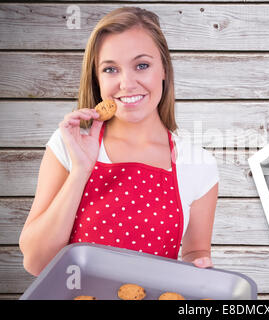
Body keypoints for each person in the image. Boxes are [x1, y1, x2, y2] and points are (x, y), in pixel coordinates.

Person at [19, 7, 219, 277]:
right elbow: (36, 262)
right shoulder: (69, 144)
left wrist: (201, 267)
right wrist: (80, 171)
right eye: (111, 69)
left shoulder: (198, 164)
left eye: (142, 65)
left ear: (163, 69)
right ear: (97, 79)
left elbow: (195, 253)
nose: (127, 83)